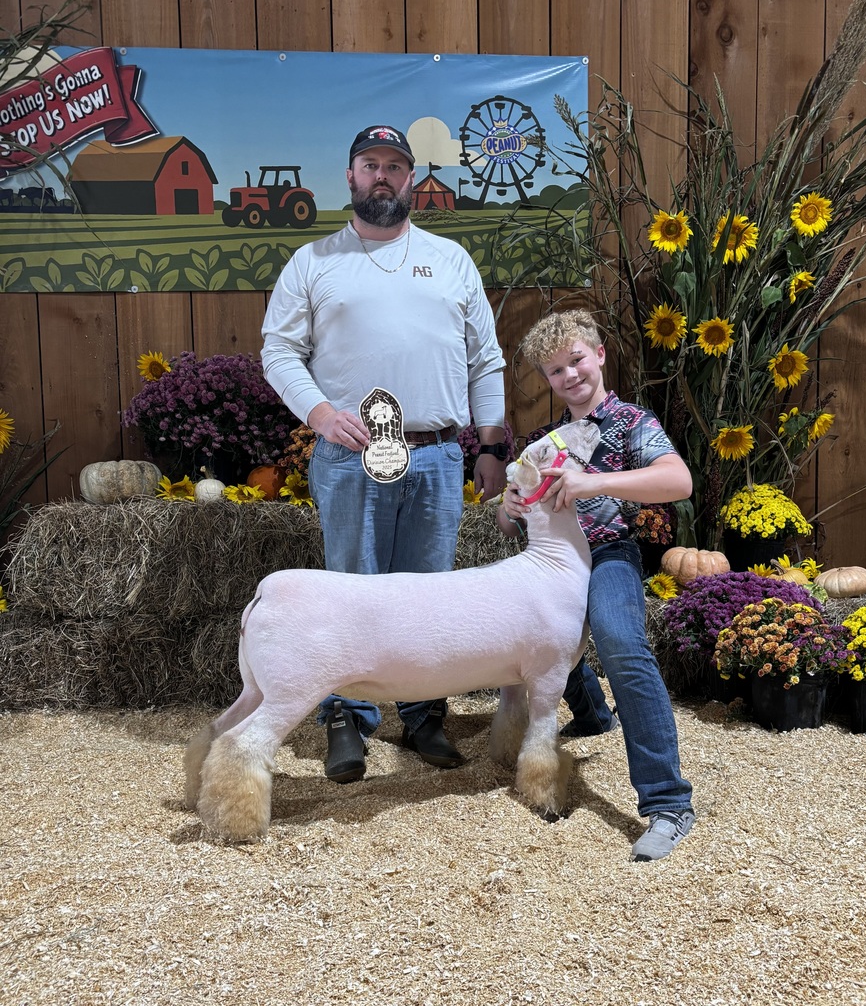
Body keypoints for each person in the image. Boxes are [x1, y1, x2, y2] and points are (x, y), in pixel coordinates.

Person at [261, 124, 508, 784]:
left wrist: (491, 446)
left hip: (433, 457)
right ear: (349, 176)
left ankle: (425, 715)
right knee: (353, 594)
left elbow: (486, 359)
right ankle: (348, 718)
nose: (382, 176)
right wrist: (317, 412)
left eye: (394, 166)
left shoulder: (451, 259)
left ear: (410, 179)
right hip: (350, 456)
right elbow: (278, 351)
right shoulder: (313, 262)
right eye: (369, 164)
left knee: (429, 595)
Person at [496, 308, 695, 862]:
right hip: (551, 559)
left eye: (577, 360)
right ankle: (590, 714)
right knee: (529, 634)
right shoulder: (543, 443)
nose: (570, 376)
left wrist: (593, 482)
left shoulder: (634, 423)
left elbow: (679, 481)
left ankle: (668, 803)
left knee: (621, 643)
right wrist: (510, 505)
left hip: (608, 553)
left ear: (600, 355)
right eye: (555, 371)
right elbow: (510, 519)